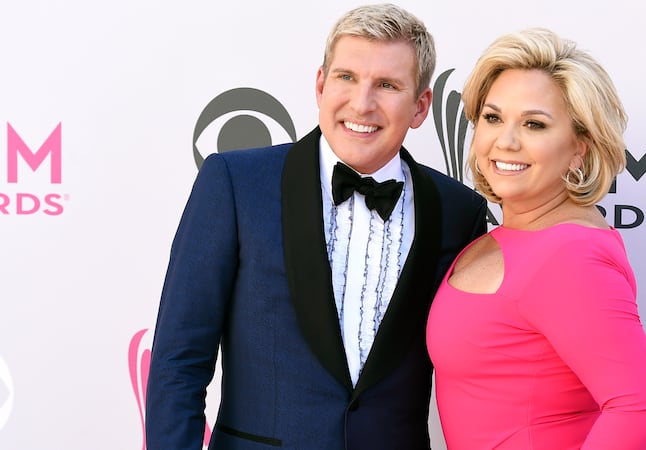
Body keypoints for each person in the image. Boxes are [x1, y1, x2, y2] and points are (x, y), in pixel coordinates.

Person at [145, 4, 488, 450]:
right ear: (321, 84)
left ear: (421, 106)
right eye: (347, 77)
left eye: (387, 85)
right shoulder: (235, 183)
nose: (361, 103)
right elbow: (178, 361)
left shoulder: (458, 209)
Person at [426, 28, 646, 449]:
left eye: (534, 124)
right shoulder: (506, 235)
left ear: (579, 148)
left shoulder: (569, 255)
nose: (506, 141)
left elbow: (640, 405)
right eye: (493, 117)